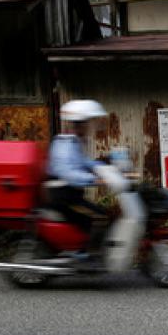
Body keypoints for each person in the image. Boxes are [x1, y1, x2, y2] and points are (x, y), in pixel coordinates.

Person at [46, 99, 111, 262]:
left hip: (70, 194)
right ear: (78, 125)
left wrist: (106, 168)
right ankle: (87, 256)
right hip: (63, 197)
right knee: (100, 217)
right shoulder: (64, 143)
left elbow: (84, 162)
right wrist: (95, 179)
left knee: (100, 214)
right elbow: (67, 173)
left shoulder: (74, 141)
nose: (89, 127)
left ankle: (87, 250)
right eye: (86, 124)